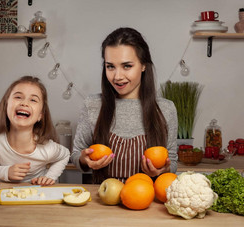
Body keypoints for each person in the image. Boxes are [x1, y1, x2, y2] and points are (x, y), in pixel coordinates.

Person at [70, 27, 178, 184]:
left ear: (143, 65)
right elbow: (76, 154)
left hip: (145, 202)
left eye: (127, 66)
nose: (117, 76)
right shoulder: (93, 105)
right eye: (110, 66)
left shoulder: (166, 109)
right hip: (103, 202)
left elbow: (172, 160)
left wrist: (164, 170)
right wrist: (84, 160)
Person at [0, 76, 70, 186]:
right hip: (3, 195)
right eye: (18, 97)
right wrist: (6, 172)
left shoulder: (46, 148)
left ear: (40, 115)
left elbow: (65, 154)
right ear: (6, 106)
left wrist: (49, 177)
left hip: (37, 194)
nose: (24, 103)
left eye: (33, 100)